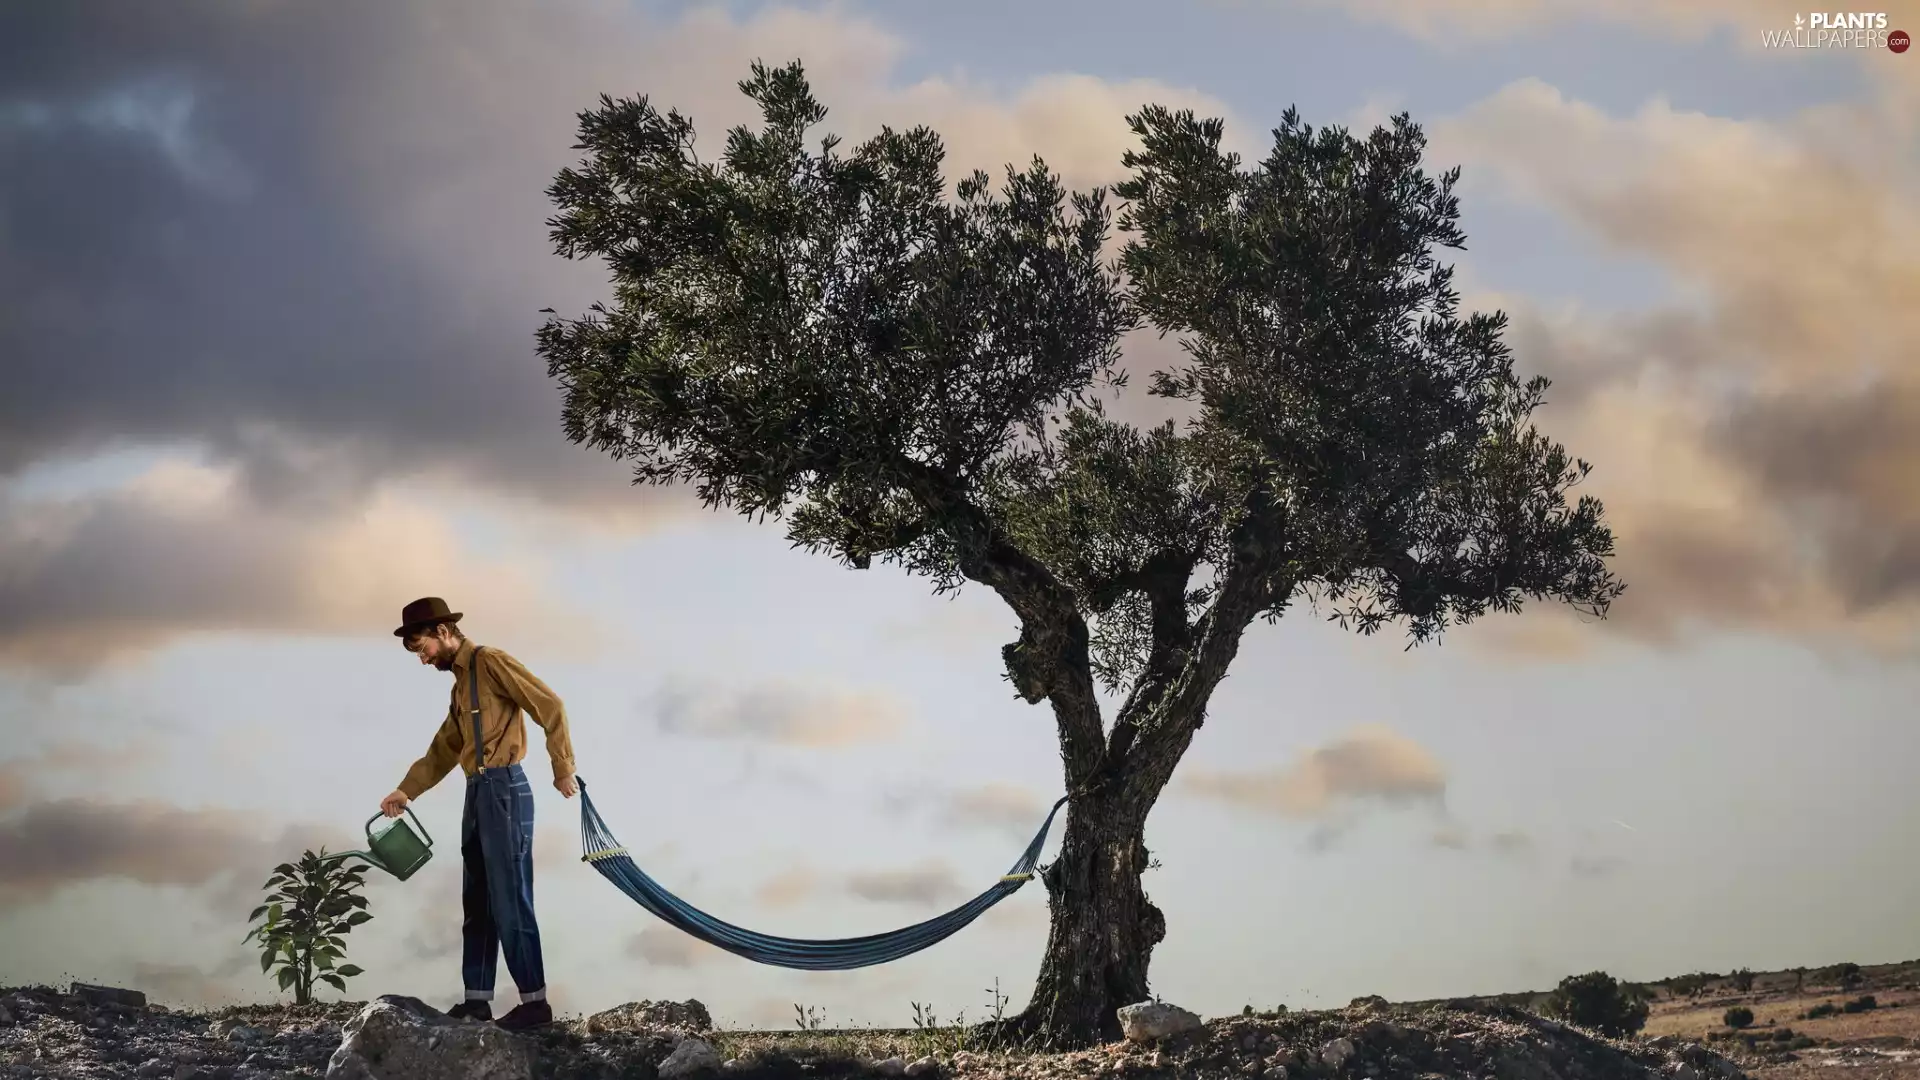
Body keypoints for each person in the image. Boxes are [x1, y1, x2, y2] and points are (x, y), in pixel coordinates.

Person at [378, 597, 577, 1031]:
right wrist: (405, 790)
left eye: (421, 647)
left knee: (511, 900)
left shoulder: (490, 662)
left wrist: (562, 768)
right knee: (478, 902)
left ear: (443, 632)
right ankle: (477, 1001)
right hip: (477, 792)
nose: (422, 658)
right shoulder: (459, 687)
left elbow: (551, 706)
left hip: (505, 789)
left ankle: (535, 1004)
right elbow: (445, 747)